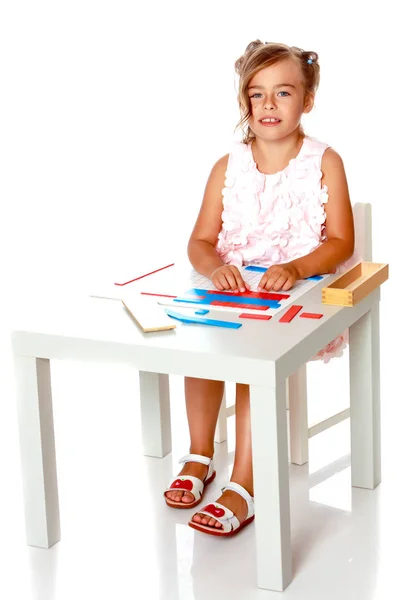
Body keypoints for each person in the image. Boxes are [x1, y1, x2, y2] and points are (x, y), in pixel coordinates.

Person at [164, 40, 357, 536]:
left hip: (300, 288)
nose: (269, 105)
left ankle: (244, 483)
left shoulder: (324, 161)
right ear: (245, 102)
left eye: (283, 92)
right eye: (257, 94)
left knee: (253, 360)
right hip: (233, 290)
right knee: (199, 348)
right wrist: (213, 269)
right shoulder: (227, 166)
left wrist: (294, 268)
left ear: (306, 101)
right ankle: (200, 454)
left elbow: (340, 241)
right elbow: (200, 242)